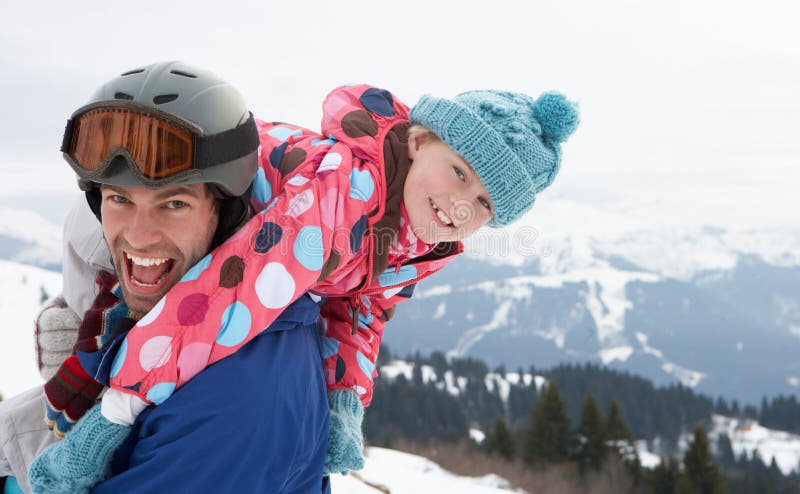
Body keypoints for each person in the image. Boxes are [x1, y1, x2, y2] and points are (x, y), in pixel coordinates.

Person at [30, 63, 580, 493]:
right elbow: (224, 301)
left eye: (483, 202)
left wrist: (346, 399)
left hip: (195, 234)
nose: (461, 205)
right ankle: (77, 364)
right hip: (142, 207)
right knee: (115, 310)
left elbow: (361, 303)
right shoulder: (340, 196)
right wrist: (112, 414)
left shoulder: (422, 235)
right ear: (418, 141)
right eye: (459, 172)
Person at [0, 62, 330, 493]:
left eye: (173, 204)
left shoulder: (235, 404)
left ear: (226, 210)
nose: (138, 237)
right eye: (119, 199)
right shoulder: (178, 309)